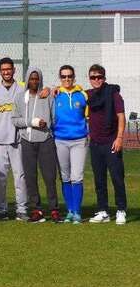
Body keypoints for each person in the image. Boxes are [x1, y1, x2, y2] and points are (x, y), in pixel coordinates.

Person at [12, 66, 61, 223]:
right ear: (27, 80)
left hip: (45, 141)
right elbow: (15, 120)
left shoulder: (47, 96)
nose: (34, 81)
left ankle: (54, 209)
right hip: (27, 141)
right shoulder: (20, 98)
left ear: (40, 79)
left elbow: (54, 118)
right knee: (30, 177)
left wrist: (47, 126)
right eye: (31, 78)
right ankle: (37, 210)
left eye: (36, 78)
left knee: (49, 176)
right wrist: (31, 123)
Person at [0, 57, 28, 221]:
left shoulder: (22, 87)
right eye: (3, 69)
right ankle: (1, 209)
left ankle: (22, 209)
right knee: (0, 176)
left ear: (14, 70)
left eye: (9, 69)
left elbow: (39, 92)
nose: (6, 72)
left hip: (18, 139)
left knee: (20, 175)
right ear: (0, 71)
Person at [85, 64, 126, 225]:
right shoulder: (87, 95)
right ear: (89, 79)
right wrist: (54, 90)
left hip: (111, 143)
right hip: (95, 144)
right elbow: (71, 92)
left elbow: (121, 117)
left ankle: (121, 209)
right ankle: (103, 211)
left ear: (104, 78)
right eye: (93, 77)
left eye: (99, 77)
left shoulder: (113, 94)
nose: (96, 80)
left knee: (117, 178)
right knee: (99, 179)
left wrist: (120, 138)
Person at [53, 65, 88, 224]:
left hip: (79, 141)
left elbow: (88, 118)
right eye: (63, 76)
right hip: (60, 140)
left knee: (77, 177)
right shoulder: (55, 95)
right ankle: (70, 211)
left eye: (69, 76)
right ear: (60, 78)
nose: (67, 79)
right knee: (65, 177)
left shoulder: (83, 95)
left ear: (74, 77)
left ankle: (78, 213)